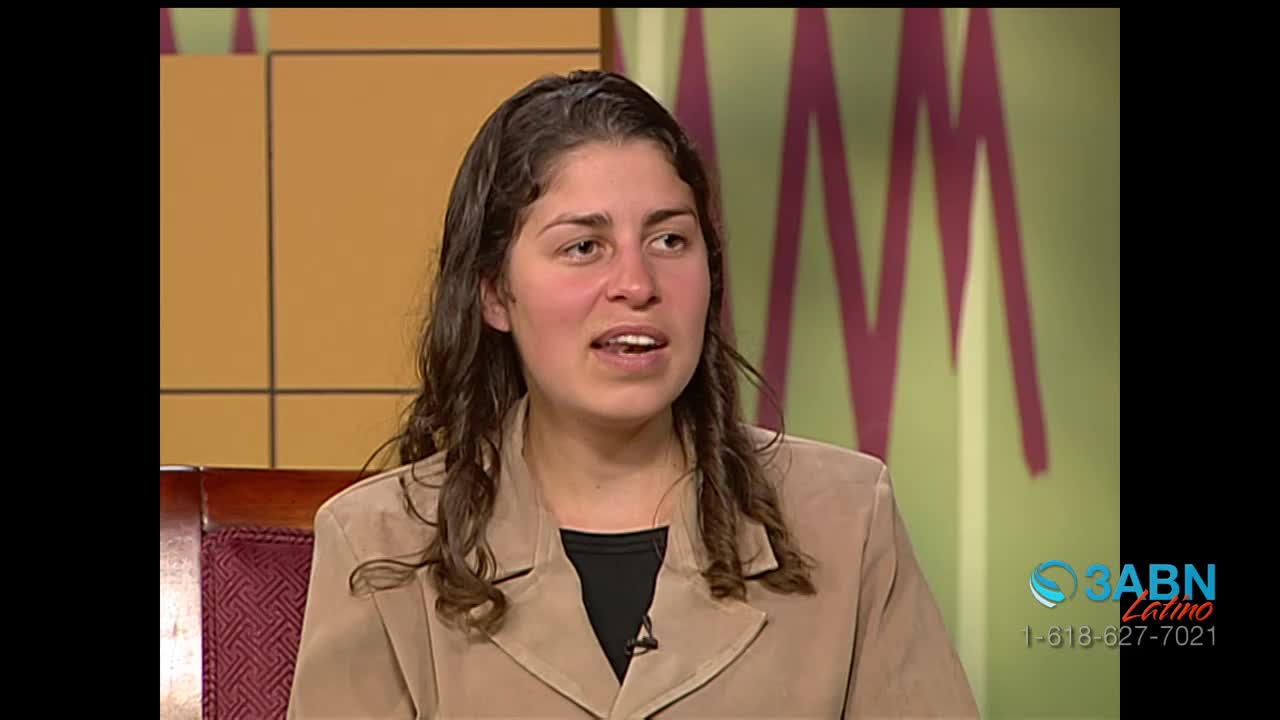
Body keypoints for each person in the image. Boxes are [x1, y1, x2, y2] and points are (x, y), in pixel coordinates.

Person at [286, 69, 979, 719]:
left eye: (669, 240)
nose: (637, 284)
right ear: (494, 293)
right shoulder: (382, 542)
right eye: (584, 247)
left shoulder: (846, 519)